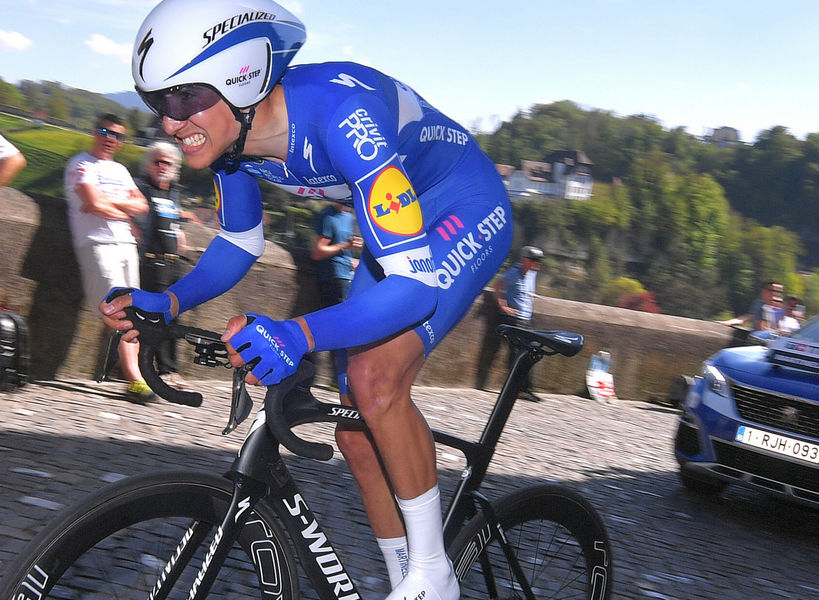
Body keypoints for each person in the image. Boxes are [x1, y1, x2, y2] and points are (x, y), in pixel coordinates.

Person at [101, 3, 512, 599]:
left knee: (373, 382)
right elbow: (241, 241)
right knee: (352, 426)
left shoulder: (343, 117)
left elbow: (415, 289)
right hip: (394, 229)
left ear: (240, 75)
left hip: (463, 203)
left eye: (186, 96)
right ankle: (406, 578)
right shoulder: (233, 142)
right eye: (159, 102)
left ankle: (433, 574)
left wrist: (296, 335)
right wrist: (170, 300)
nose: (170, 121)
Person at [66, 113, 152, 402]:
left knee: (134, 311)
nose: (110, 138)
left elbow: (141, 205)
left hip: (127, 246)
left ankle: (134, 374)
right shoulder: (80, 164)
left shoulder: (120, 170)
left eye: (117, 135)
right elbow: (91, 202)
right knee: (118, 312)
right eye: (105, 131)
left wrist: (109, 203)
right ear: (95, 131)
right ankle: (135, 379)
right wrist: (122, 212)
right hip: (98, 244)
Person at [134, 141, 196, 390]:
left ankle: (170, 370)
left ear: (175, 167)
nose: (161, 166)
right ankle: (163, 370)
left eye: (167, 163)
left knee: (174, 318)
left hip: (174, 265)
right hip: (152, 262)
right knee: (156, 319)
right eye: (156, 161)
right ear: (148, 164)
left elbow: (173, 222)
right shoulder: (142, 188)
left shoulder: (173, 192)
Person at [309, 200, 362, 390]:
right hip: (332, 278)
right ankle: (338, 378)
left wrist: (352, 259)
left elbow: (344, 251)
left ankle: (340, 378)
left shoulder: (349, 217)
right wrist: (343, 246)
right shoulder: (327, 215)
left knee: (345, 328)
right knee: (339, 328)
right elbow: (318, 252)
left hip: (346, 277)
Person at [490, 246, 543, 398]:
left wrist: (530, 295)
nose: (537, 264)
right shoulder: (514, 273)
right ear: (525, 260)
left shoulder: (531, 274)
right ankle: (516, 388)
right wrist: (503, 306)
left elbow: (526, 290)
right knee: (517, 354)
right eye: (534, 260)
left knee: (531, 352)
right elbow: (497, 286)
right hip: (515, 319)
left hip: (527, 318)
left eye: (538, 261)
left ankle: (526, 389)